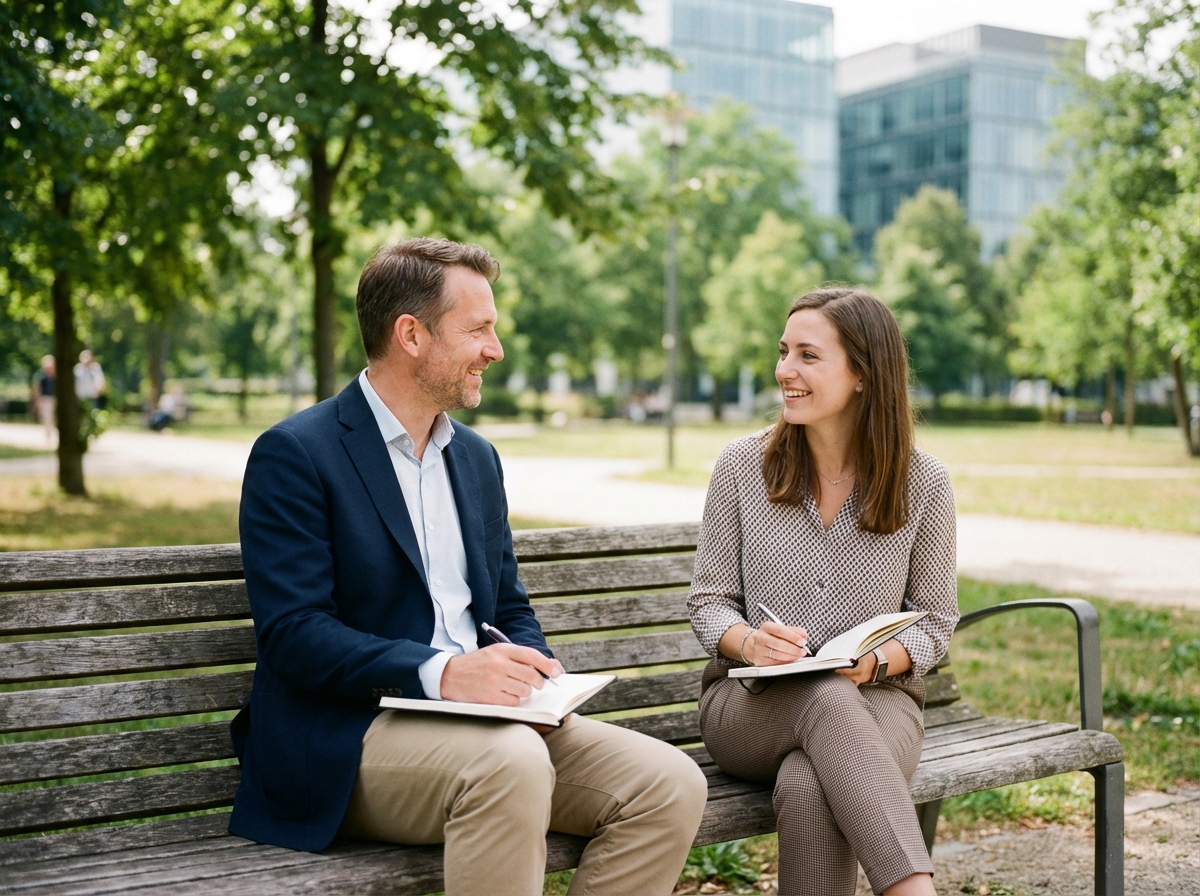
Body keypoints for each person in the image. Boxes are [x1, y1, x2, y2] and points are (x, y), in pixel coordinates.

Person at [229, 238, 707, 896]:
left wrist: (536, 679)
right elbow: (294, 633)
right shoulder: (296, 454)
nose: (496, 349)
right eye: (479, 329)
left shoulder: (475, 458)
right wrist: (446, 674)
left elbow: (507, 608)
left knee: (668, 783)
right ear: (411, 335)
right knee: (508, 764)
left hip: (488, 732)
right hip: (348, 739)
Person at [687, 287, 959, 896]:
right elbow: (707, 603)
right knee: (822, 693)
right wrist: (751, 643)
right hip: (749, 704)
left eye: (808, 356)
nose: (785, 371)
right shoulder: (742, 465)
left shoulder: (925, 482)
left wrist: (874, 662)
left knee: (811, 783)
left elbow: (936, 623)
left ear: (863, 373)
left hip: (882, 701)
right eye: (784, 352)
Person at [35, 355, 56, 445]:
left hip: (55, 399)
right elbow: (38, 390)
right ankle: (48, 438)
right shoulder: (41, 378)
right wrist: (38, 401)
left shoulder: (57, 378)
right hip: (46, 399)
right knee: (47, 419)